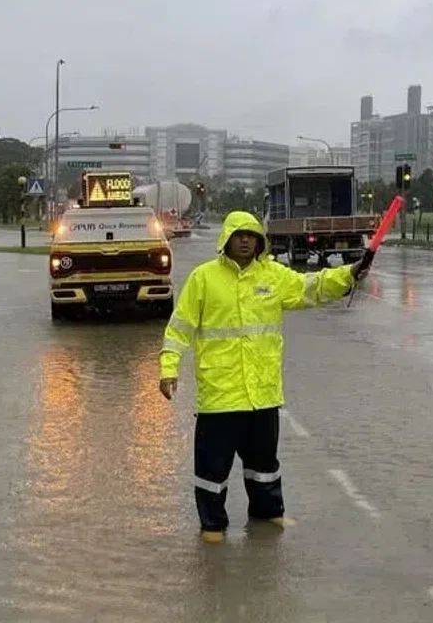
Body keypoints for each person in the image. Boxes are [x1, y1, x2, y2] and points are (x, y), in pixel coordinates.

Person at [158, 210, 368, 543]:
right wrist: (168, 368)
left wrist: (350, 273)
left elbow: (312, 287)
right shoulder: (203, 278)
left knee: (264, 465)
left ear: (260, 241)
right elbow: (179, 328)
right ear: (226, 239)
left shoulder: (273, 276)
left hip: (263, 394)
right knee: (212, 469)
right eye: (239, 235)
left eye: (251, 236)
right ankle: (212, 525)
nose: (245, 241)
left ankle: (268, 513)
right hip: (220, 395)